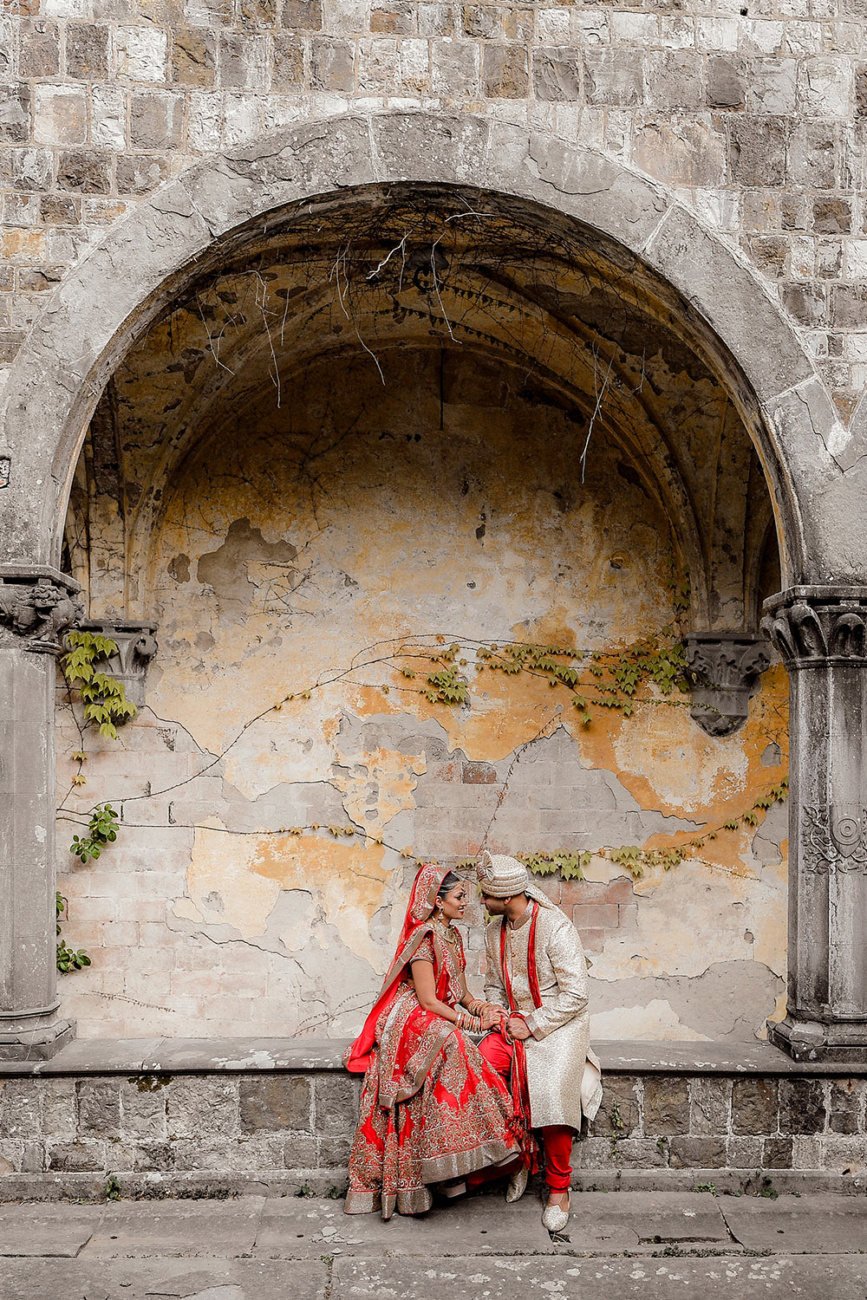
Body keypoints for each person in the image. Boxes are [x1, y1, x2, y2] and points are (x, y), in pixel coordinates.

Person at [343, 863, 523, 1219]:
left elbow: (461, 993)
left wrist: (484, 1008)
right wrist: (471, 1021)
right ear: (438, 902)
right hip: (409, 1016)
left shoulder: (453, 936)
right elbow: (427, 1000)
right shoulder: (424, 938)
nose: (465, 904)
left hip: (436, 1011)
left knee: (459, 1043)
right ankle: (453, 1163)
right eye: (459, 897)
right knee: (453, 1041)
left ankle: (466, 1161)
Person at [477, 850, 603, 1232]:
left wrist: (531, 1023)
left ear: (507, 897)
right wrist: (496, 1014)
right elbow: (494, 986)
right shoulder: (493, 931)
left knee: (549, 1087)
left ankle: (559, 1189)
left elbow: (576, 995)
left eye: (486, 896)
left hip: (558, 1025)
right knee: (479, 1067)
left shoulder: (556, 927)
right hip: (513, 1026)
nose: (481, 901)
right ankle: (515, 1162)